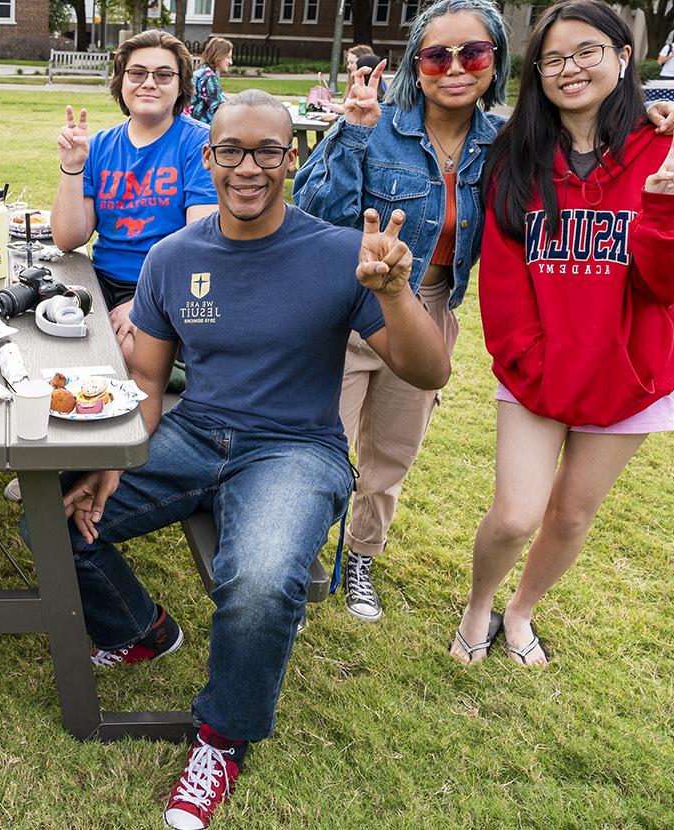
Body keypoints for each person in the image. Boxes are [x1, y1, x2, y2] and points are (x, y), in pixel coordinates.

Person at [44, 90, 450, 830]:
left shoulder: (338, 254)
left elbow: (428, 374)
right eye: (231, 150)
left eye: (268, 151)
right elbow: (147, 382)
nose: (249, 167)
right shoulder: (172, 259)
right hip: (194, 432)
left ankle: (222, 738)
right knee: (54, 512)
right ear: (209, 158)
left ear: (291, 160)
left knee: (261, 580)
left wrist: (396, 294)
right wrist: (114, 457)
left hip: (294, 448)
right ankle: (141, 630)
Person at [292, 0, 674, 624]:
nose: (454, 66)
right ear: (413, 64)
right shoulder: (376, 124)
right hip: (345, 300)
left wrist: (650, 111)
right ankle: (302, 555)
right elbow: (310, 215)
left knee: (392, 453)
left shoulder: (510, 143)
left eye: (472, 51)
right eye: (435, 54)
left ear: (496, 61)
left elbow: (592, 124)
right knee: (319, 446)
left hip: (424, 308)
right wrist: (350, 137)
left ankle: (361, 556)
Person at [452, 0, 674, 668]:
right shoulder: (516, 158)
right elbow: (505, 283)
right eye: (552, 59)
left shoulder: (669, 148)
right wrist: (530, 361)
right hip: (539, 370)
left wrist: (661, 211)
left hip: (629, 374)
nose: (570, 69)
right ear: (537, 74)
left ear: (623, 58)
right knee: (516, 514)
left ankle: (521, 613)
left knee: (570, 516)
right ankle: (480, 603)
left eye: (587, 52)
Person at [50, 30, 216, 362]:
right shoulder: (98, 146)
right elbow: (68, 239)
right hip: (99, 280)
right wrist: (72, 167)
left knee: (124, 350)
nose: (149, 83)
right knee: (45, 332)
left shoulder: (200, 145)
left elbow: (199, 245)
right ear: (122, 82)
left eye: (163, 74)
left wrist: (143, 303)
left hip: (166, 284)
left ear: (181, 84)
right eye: (137, 73)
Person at [187, 36, 233, 124]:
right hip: (204, 130)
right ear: (218, 56)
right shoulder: (209, 77)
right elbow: (221, 108)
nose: (231, 62)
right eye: (228, 57)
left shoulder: (202, 73)